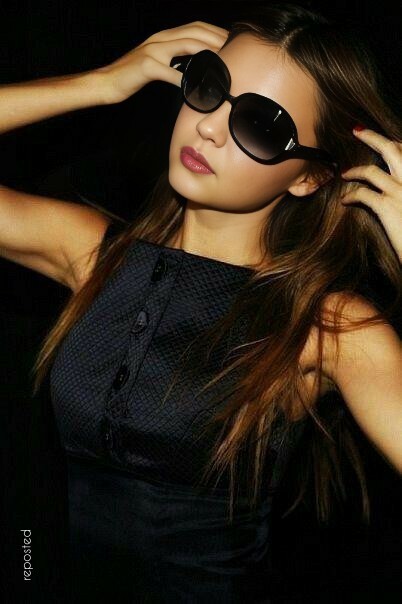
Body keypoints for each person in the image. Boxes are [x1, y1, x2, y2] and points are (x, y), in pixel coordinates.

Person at [1, 3, 401, 602]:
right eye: (209, 86)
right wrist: (101, 83)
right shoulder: (94, 254)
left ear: (310, 177)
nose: (209, 127)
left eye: (260, 125)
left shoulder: (329, 327)